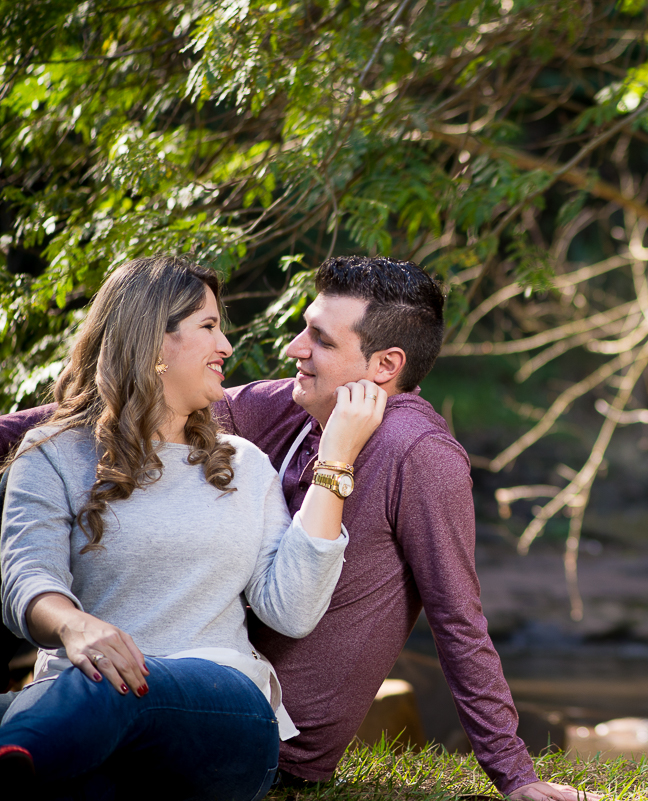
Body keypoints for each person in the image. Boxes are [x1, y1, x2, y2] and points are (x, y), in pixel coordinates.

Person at [0, 256, 595, 801]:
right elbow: (128, 407)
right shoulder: (287, 406)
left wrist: (515, 775)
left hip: (265, 731)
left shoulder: (419, 455)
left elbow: (457, 618)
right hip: (145, 717)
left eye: (321, 339)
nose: (293, 348)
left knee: (114, 689)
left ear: (385, 366)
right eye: (305, 327)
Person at [0, 255, 385, 799]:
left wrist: (336, 461)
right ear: (152, 341)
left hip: (221, 711)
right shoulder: (51, 455)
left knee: (116, 687)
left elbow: (292, 610)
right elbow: (25, 578)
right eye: (208, 326)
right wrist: (73, 626)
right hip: (79, 702)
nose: (226, 345)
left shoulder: (244, 464)